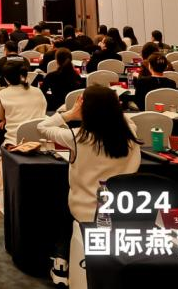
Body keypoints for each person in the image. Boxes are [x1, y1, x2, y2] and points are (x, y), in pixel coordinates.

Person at [39, 87, 140, 285]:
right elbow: (127, 121)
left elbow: (42, 127)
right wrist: (112, 107)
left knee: (61, 202)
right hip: (124, 210)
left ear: (86, 109)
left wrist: (70, 113)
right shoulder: (131, 134)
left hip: (86, 211)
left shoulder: (78, 137)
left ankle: (61, 262)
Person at [0, 62, 47, 142]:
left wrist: (6, 118)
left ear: (6, 79)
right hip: (39, 140)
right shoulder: (38, 91)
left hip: (14, 141)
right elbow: (42, 111)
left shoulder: (1, 94)